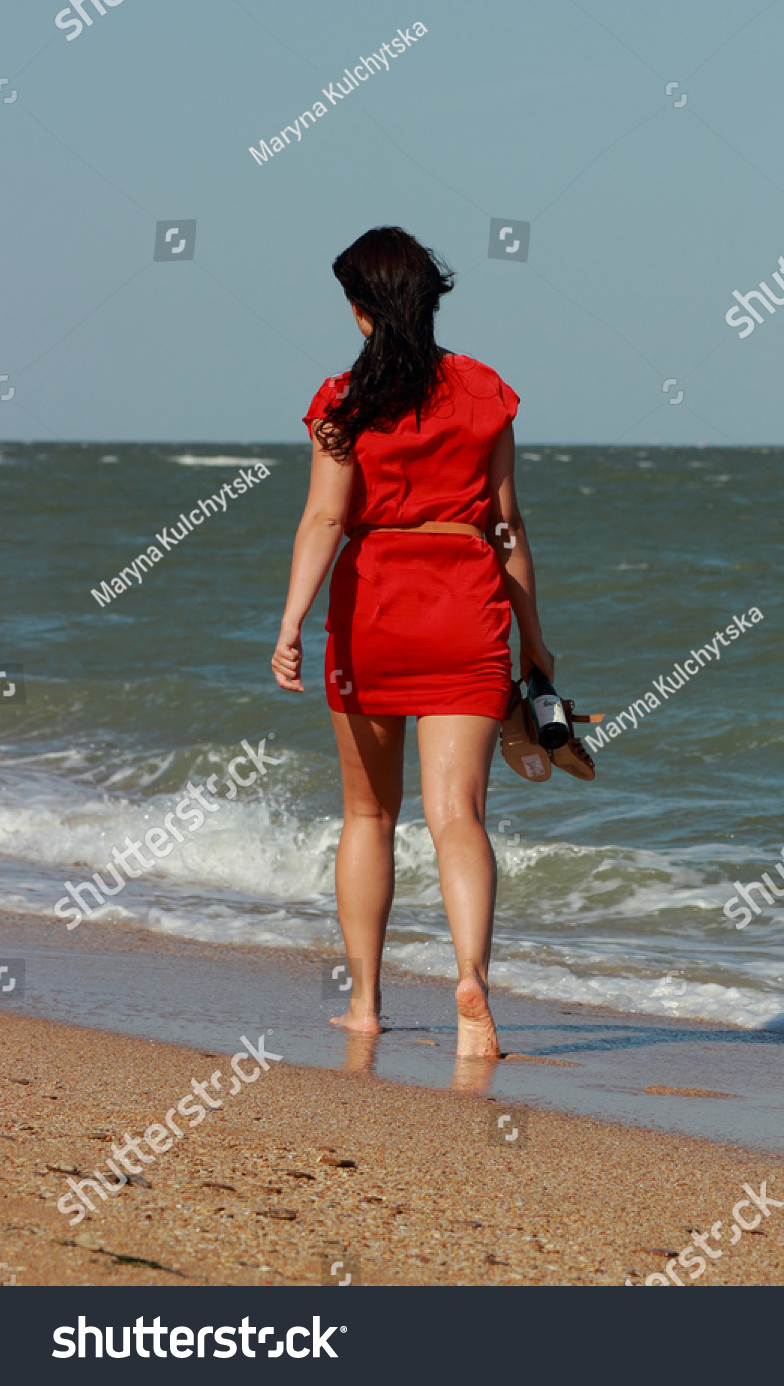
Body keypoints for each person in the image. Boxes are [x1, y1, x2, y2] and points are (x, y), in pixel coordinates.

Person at [271, 226, 554, 1058]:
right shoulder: (484, 390)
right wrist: (533, 641)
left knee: (368, 812)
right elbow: (506, 526)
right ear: (430, 300)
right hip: (465, 604)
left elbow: (325, 517)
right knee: (457, 815)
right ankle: (471, 978)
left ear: (361, 313)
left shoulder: (340, 402)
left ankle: (363, 1003)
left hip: (375, 610)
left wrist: (291, 621)